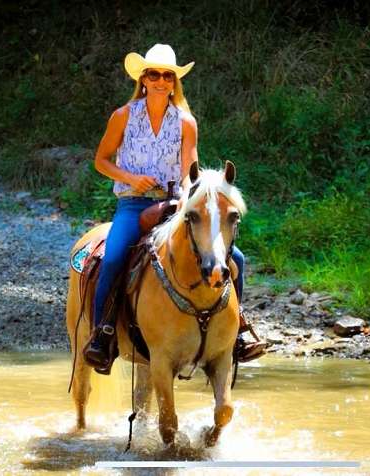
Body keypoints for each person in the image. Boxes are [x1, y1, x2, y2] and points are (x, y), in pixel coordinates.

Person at [83, 44, 266, 371]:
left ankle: (237, 332)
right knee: (112, 257)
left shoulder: (185, 122)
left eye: (168, 75)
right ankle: (102, 334)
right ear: (143, 78)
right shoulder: (123, 116)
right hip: (132, 203)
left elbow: (188, 172)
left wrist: (186, 198)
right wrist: (129, 178)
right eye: (154, 74)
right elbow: (100, 160)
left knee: (235, 258)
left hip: (173, 201)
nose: (161, 80)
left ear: (174, 82)